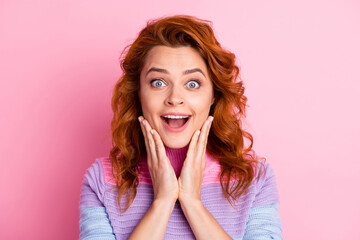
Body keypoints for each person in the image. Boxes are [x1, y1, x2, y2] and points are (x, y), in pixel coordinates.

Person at [79, 15, 283, 240]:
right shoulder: (102, 180)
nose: (175, 98)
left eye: (192, 84)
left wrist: (193, 203)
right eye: (158, 82)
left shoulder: (254, 179)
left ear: (213, 95)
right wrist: (162, 202)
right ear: (138, 93)